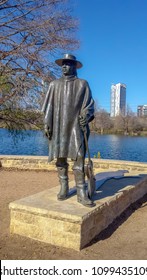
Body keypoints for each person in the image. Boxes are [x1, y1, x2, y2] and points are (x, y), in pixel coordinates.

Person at [42, 54, 95, 207]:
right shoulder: (54, 85)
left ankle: (81, 192)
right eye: (63, 64)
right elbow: (48, 107)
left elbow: (89, 105)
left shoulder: (82, 84)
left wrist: (86, 115)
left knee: (79, 158)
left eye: (67, 64)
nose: (64, 67)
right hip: (58, 126)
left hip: (75, 127)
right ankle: (64, 187)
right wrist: (47, 123)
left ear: (74, 66)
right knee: (60, 158)